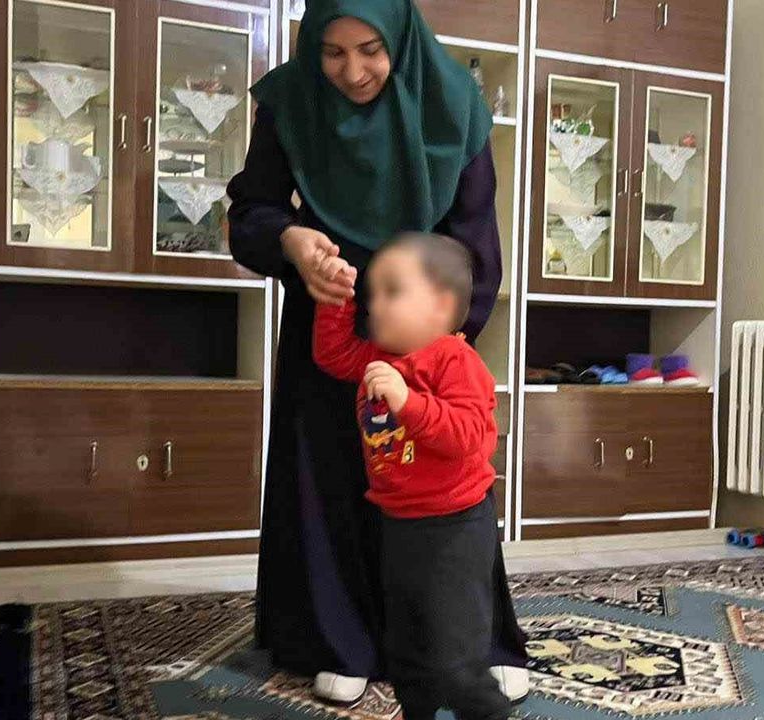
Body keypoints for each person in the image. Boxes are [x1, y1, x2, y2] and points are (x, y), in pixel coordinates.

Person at [225, 0, 529, 705]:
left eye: (370, 50)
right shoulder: (291, 103)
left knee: (441, 485)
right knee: (331, 474)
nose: (353, 71)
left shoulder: (453, 103)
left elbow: (474, 238)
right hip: (327, 314)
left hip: (424, 325)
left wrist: (441, 336)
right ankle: (341, 641)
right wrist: (291, 239)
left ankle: (472, 643)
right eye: (332, 52)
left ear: (400, 40)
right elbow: (251, 211)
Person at [312, 232, 511, 720]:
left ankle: (487, 711)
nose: (375, 305)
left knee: (455, 656)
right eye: (373, 293)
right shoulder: (378, 358)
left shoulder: (455, 360)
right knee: (406, 649)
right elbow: (332, 354)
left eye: (393, 292)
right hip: (399, 522)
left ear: (441, 305)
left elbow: (470, 437)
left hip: (455, 526)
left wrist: (407, 401)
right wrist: (337, 299)